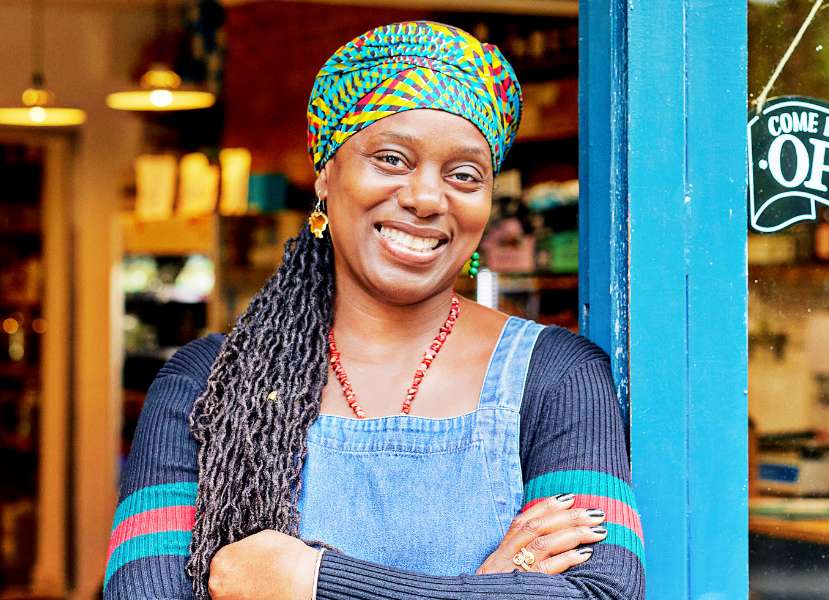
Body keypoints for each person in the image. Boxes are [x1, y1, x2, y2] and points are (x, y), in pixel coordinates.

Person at [103, 21, 644, 600]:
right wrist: (484, 589)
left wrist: (310, 582)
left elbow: (603, 594)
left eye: (464, 174)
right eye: (390, 159)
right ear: (326, 176)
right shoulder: (201, 386)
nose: (426, 198)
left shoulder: (559, 377)